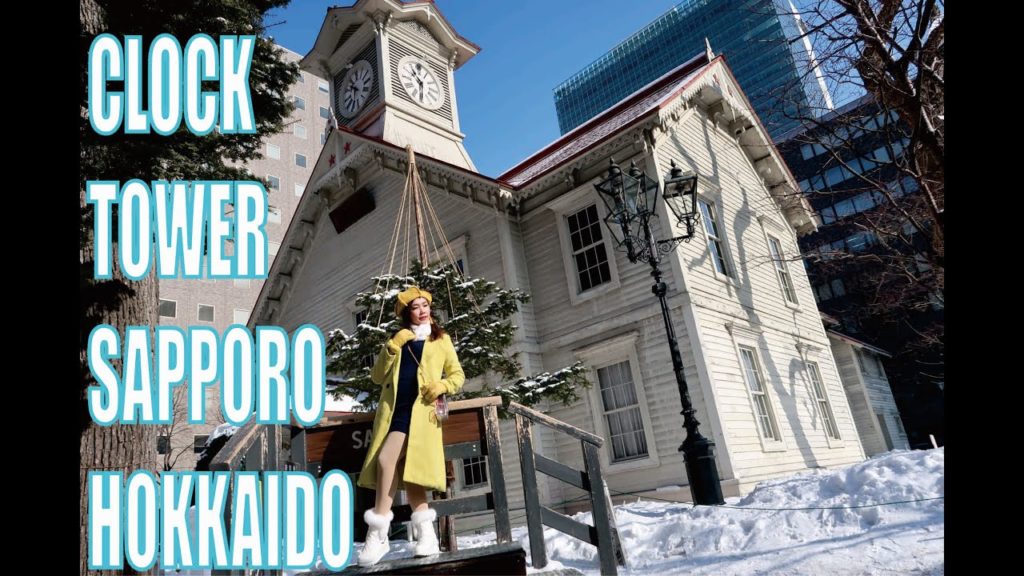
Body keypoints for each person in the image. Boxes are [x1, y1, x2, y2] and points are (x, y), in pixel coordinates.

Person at [356, 286, 465, 567]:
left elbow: (457, 375)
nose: (422, 310)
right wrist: (392, 347)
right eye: (415, 307)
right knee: (404, 468)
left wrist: (442, 385)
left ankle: (381, 532)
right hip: (395, 413)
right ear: (407, 313)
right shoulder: (399, 340)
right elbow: (377, 377)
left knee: (392, 462)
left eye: (425, 305)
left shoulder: (441, 339)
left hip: (422, 415)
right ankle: (421, 536)